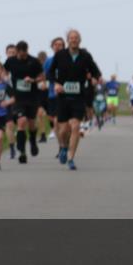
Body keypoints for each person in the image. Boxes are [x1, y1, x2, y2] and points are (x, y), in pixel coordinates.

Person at [46, 29, 101, 171]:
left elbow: (96, 71)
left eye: (76, 38)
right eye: (71, 38)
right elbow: (50, 73)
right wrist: (56, 84)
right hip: (63, 97)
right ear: (68, 40)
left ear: (80, 40)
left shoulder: (85, 56)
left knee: (75, 126)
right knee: (63, 130)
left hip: (78, 97)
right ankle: (63, 147)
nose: (74, 40)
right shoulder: (60, 55)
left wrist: (96, 78)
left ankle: (71, 158)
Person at [3, 41, 45, 163]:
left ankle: (32, 141)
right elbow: (4, 71)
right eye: (19, 54)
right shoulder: (11, 61)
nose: (22, 56)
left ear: (27, 51)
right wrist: (5, 79)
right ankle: (22, 151)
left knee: (32, 124)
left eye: (24, 54)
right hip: (18, 98)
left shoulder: (34, 61)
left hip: (32, 97)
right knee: (21, 122)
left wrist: (32, 80)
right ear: (17, 51)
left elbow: (42, 76)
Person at [44, 37, 65, 146]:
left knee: (60, 122)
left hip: (65, 96)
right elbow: (44, 75)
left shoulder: (67, 59)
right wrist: (43, 83)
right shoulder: (48, 61)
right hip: (52, 94)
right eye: (55, 44)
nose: (57, 46)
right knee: (55, 121)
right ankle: (61, 146)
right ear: (52, 47)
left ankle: (63, 144)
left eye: (60, 44)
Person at [3, 44, 18, 159]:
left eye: (14, 53)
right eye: (10, 53)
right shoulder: (2, 69)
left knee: (20, 123)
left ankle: (18, 135)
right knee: (9, 124)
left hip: (20, 100)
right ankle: (12, 148)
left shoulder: (20, 67)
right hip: (7, 101)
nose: (12, 55)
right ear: (6, 54)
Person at [34, 50, 50, 143]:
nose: (42, 62)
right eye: (40, 61)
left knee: (50, 115)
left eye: (43, 60)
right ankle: (43, 134)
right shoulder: (36, 70)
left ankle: (54, 130)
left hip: (49, 93)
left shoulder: (49, 68)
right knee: (39, 114)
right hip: (39, 94)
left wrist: (45, 83)